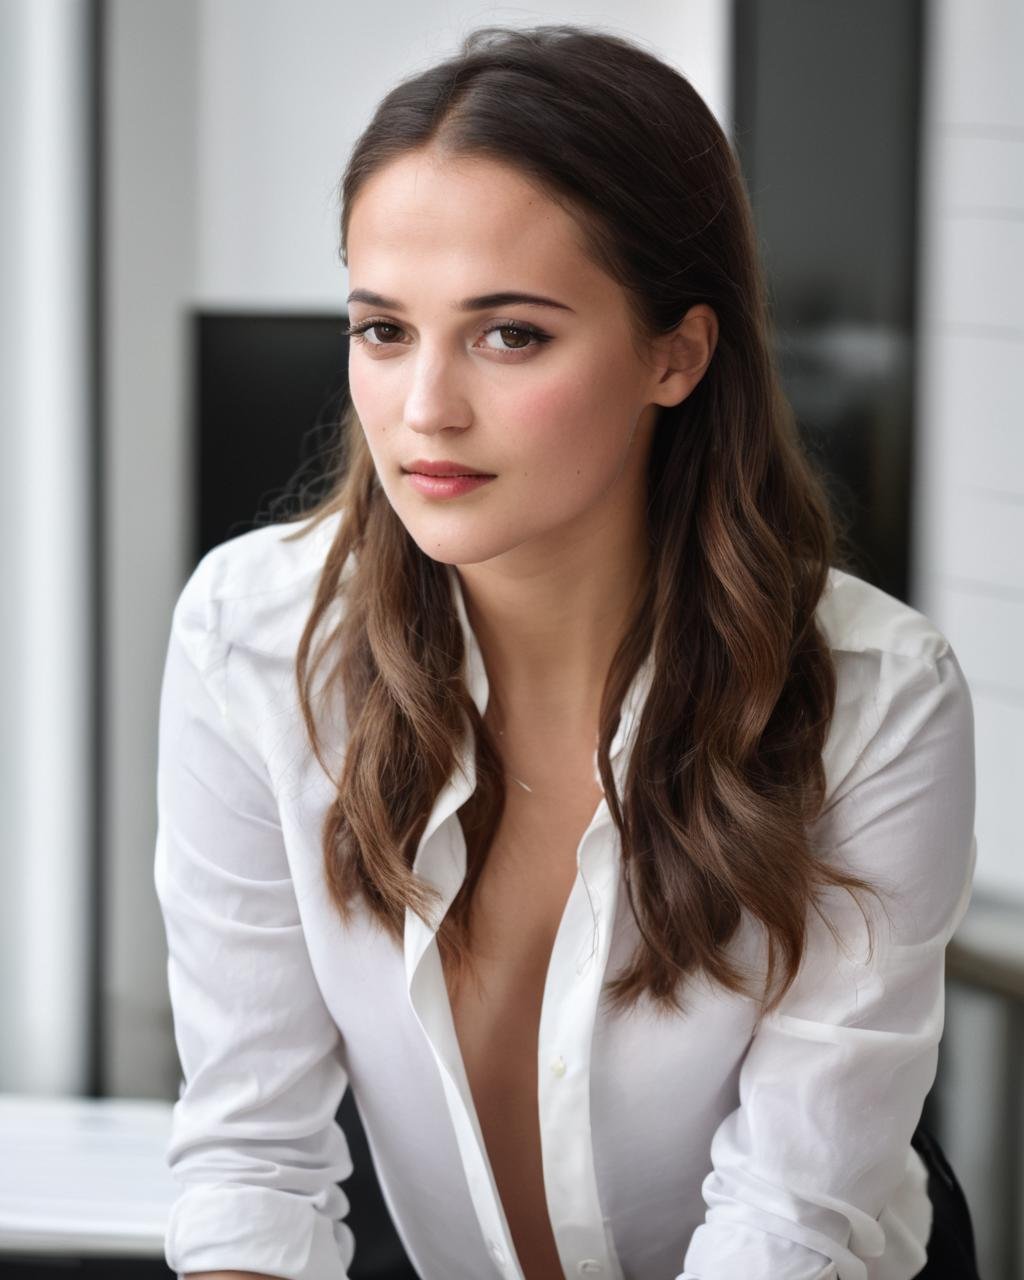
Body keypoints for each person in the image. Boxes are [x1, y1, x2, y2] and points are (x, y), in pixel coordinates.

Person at [154, 23, 981, 1280]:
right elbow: (253, 1158)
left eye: (510, 334)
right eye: (383, 329)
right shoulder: (253, 641)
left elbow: (790, 1221)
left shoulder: (873, 697)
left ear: (675, 354)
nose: (424, 406)